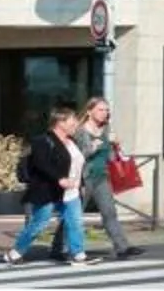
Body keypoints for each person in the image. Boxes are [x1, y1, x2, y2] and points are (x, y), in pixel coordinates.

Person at [0, 105, 93, 268]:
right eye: (72, 121)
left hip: (70, 191)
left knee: (75, 222)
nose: (75, 124)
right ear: (61, 122)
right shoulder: (42, 140)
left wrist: (79, 183)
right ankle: (15, 253)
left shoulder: (72, 142)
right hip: (48, 190)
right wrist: (59, 178)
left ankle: (78, 255)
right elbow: (41, 163)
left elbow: (76, 164)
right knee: (39, 224)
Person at [48, 95, 138, 262]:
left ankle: (122, 247)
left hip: (101, 176)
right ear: (89, 111)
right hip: (82, 178)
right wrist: (92, 147)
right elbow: (75, 155)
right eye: (100, 110)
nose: (105, 113)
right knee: (74, 214)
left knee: (109, 212)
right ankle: (60, 247)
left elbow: (109, 155)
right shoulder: (80, 131)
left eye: (106, 110)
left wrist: (116, 145)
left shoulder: (106, 129)